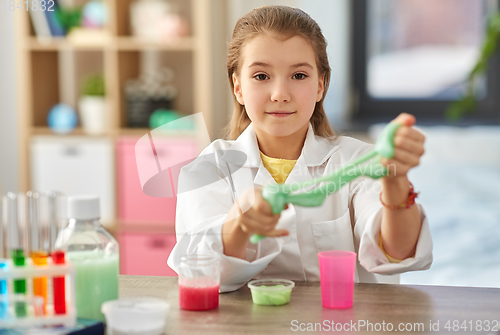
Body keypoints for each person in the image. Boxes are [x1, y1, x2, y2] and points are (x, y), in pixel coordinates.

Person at [167, 5, 432, 292]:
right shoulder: (208, 170)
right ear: (238, 87)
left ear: (320, 86)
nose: (280, 94)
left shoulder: (356, 161)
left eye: (298, 76)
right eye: (261, 76)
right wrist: (238, 223)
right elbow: (199, 269)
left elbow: (399, 253)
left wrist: (395, 181)